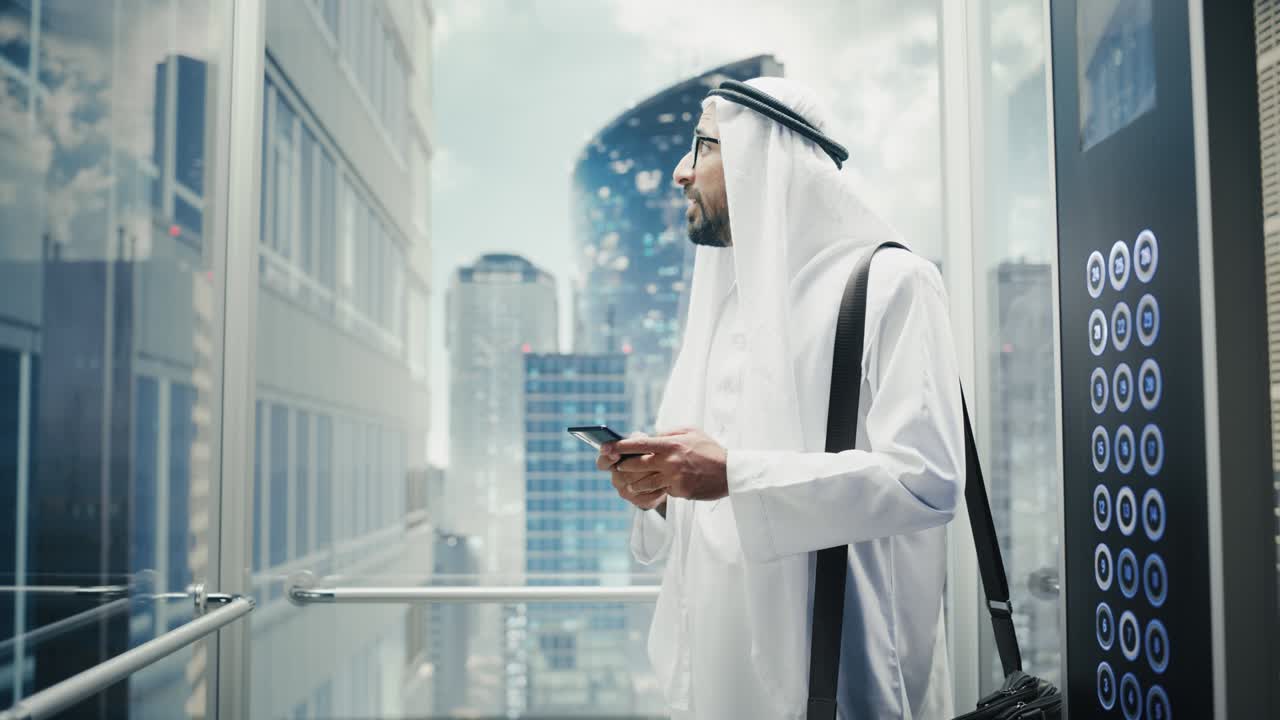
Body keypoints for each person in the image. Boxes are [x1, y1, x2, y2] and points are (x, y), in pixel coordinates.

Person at [596, 77, 965, 719]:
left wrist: (733, 475)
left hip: (843, 675)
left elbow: (927, 481)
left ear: (764, 156)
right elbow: (710, 492)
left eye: (703, 146)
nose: (681, 172)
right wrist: (659, 491)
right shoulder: (727, 307)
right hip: (718, 677)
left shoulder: (892, 283)